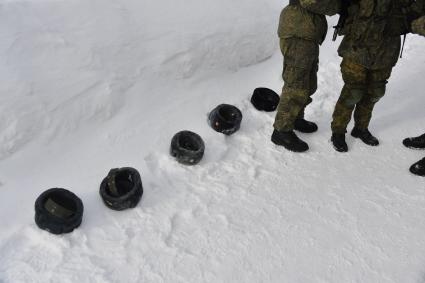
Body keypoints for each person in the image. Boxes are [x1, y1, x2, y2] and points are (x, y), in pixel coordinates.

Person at [330, 0, 424, 152]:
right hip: (358, 45)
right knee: (353, 92)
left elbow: (417, 11)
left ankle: (361, 128)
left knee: (376, 91)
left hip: (386, 49)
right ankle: (338, 131)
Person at [271, 0, 340, 152]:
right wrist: (338, 5)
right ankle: (281, 131)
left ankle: (295, 118)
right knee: (296, 85)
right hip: (299, 30)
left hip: (306, 31)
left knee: (308, 82)